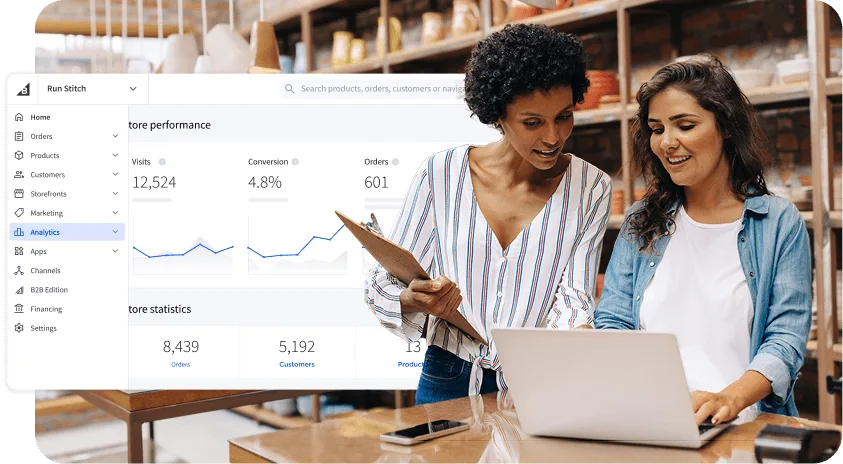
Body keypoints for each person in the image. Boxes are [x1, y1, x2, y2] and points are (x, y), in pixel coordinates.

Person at [363, 23, 612, 405]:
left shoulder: (591, 186)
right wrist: (415, 299)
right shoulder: (441, 174)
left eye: (563, 116)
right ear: (498, 114)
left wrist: (582, 340)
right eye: (532, 122)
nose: (552, 137)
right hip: (448, 374)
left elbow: (574, 296)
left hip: (539, 380)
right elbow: (384, 281)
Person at [594, 55, 811, 425]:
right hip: (652, 422)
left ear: (725, 126)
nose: (667, 142)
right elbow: (613, 322)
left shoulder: (776, 222)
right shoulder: (642, 220)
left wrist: (729, 399)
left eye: (685, 125)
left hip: (741, 426)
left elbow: (785, 339)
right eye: (657, 128)